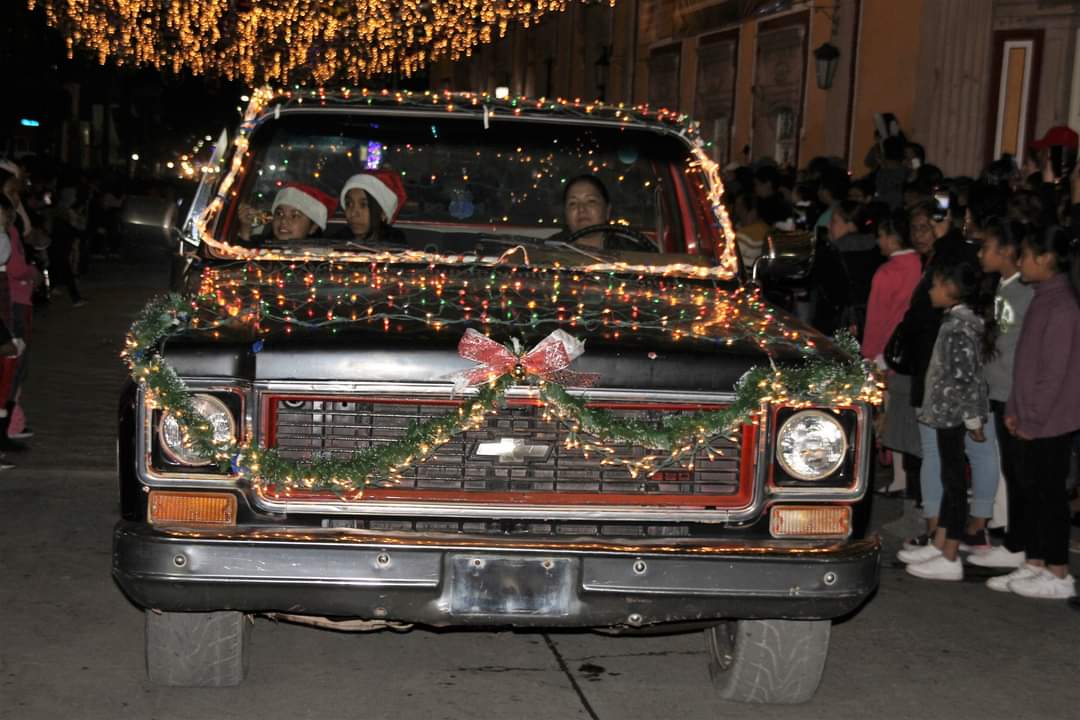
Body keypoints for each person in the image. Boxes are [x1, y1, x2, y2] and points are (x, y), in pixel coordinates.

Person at [994, 225, 1080, 599]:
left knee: (1049, 494)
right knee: (1032, 490)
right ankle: (1036, 562)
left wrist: (1033, 418)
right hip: (1030, 412)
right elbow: (1024, 363)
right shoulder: (1041, 296)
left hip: (1052, 419)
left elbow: (1053, 372)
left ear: (1046, 259)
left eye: (1026, 255)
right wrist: (1014, 406)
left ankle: (1059, 572)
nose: (1021, 262)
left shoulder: (1062, 305)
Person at [901, 253, 995, 581]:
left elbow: (966, 379)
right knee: (949, 480)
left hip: (953, 417)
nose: (930, 290)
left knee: (955, 485)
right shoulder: (954, 321)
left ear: (953, 290)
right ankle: (941, 542)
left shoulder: (959, 326)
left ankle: (951, 553)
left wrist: (973, 420)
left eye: (937, 285)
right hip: (945, 416)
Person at [967, 217, 1034, 571]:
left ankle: (1019, 543)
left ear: (1007, 252)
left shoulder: (1025, 291)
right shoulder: (1002, 288)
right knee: (1007, 468)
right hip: (997, 387)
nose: (980, 254)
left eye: (986, 247)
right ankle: (1010, 538)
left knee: (1019, 471)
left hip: (1013, 390)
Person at [863, 210, 922, 496]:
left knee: (890, 416)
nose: (879, 242)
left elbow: (875, 318)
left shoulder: (886, 272)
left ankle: (899, 477)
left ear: (892, 238)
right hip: (913, 352)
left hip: (888, 353)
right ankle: (905, 478)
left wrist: (869, 354)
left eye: (882, 236)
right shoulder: (920, 265)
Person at [237, 182, 337, 244]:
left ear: (313, 227)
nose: (284, 221)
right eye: (279, 214)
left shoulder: (322, 261)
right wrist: (245, 230)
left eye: (295, 216)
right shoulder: (261, 247)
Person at [336, 170, 407, 245]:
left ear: (383, 213)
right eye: (348, 204)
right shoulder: (335, 244)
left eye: (363, 205)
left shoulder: (397, 250)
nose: (353, 213)